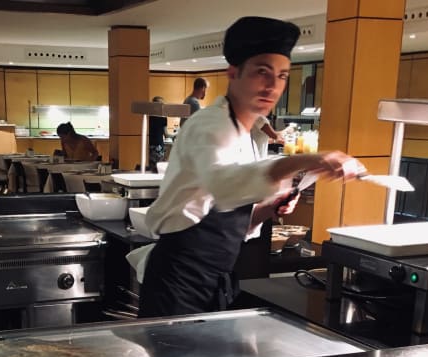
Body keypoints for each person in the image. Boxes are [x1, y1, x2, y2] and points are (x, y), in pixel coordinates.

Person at [133, 16, 365, 319]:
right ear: (233, 73)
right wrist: (310, 159)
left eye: (282, 76)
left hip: (214, 279)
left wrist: (268, 209)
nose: (272, 85)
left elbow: (227, 218)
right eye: (262, 72)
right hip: (176, 280)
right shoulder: (210, 124)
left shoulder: (244, 132)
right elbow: (226, 186)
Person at [148, 96, 168, 171]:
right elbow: (167, 134)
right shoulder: (163, 117)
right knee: (159, 169)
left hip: (150, 146)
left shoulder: (149, 116)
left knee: (151, 168)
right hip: (159, 146)